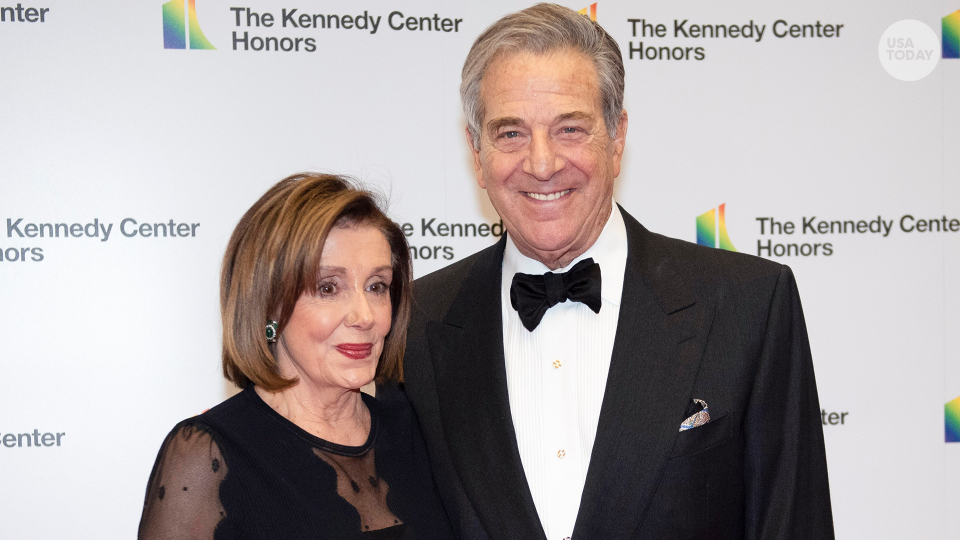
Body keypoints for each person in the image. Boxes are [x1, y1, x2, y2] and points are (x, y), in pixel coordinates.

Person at [401, 4, 835, 539]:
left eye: (570, 129)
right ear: (476, 151)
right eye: (510, 133)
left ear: (617, 136)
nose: (541, 164)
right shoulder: (413, 325)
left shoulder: (748, 306)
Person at [138, 173, 454, 539]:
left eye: (377, 286)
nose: (365, 316)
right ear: (270, 301)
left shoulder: (417, 428)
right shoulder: (209, 454)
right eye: (328, 288)